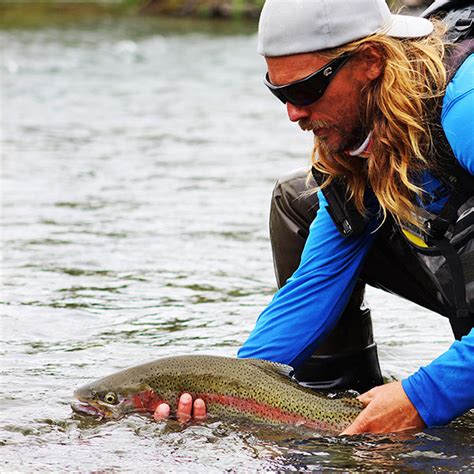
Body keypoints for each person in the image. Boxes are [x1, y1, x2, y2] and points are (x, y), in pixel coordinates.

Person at [155, 0, 474, 433]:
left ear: (371, 61)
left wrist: (422, 397)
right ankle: (338, 410)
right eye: (280, 93)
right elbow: (317, 282)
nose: (293, 113)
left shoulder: (466, 111)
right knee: (299, 200)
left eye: (305, 91)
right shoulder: (358, 138)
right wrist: (229, 390)